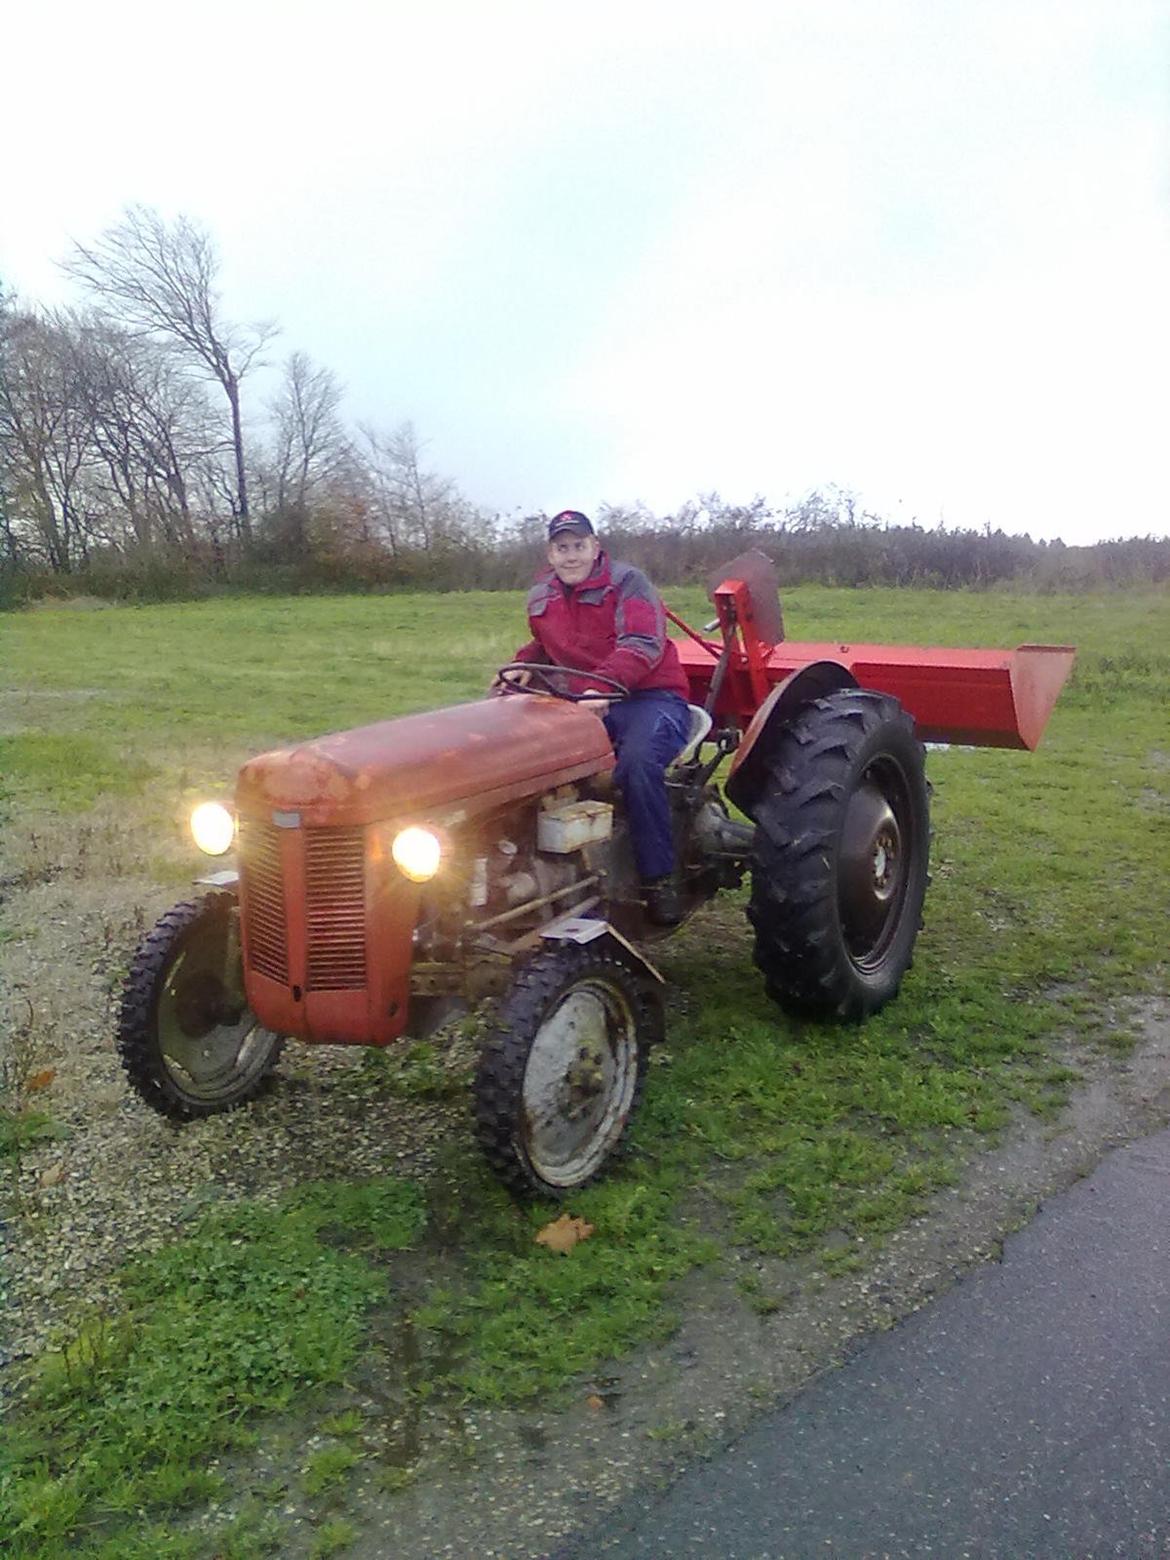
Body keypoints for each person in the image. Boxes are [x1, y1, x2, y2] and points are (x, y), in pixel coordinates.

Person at [504, 509, 691, 925]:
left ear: (595, 547)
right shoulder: (541, 596)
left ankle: (659, 879)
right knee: (526, 762)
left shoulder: (627, 584)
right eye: (561, 548)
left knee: (638, 766)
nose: (570, 556)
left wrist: (601, 687)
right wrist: (522, 663)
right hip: (583, 701)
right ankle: (534, 874)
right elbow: (544, 644)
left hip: (648, 697)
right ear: (550, 554)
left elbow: (642, 644)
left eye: (578, 546)